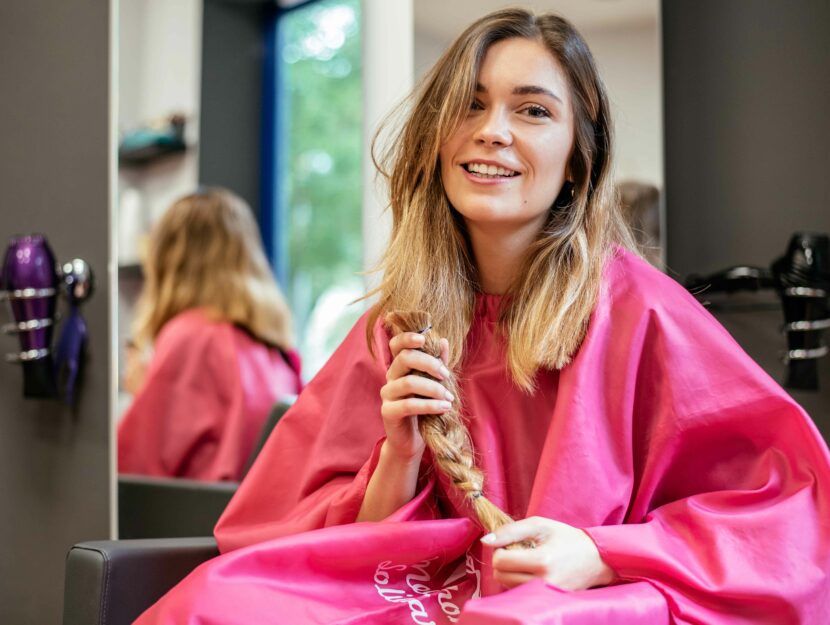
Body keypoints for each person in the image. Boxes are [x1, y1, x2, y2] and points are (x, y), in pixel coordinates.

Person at [133, 9, 830, 624]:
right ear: (438, 140)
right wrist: (398, 460)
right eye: (470, 106)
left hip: (576, 598)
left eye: (532, 111)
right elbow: (299, 539)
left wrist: (600, 552)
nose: (492, 131)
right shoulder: (397, 324)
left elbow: (790, 517)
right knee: (209, 602)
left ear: (577, 162)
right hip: (423, 587)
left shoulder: (641, 312)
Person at [118, 187, 302, 482]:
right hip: (258, 518)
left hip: (197, 519)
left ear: (170, 261)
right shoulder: (275, 350)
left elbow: (130, 466)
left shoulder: (191, 338)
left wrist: (143, 394)